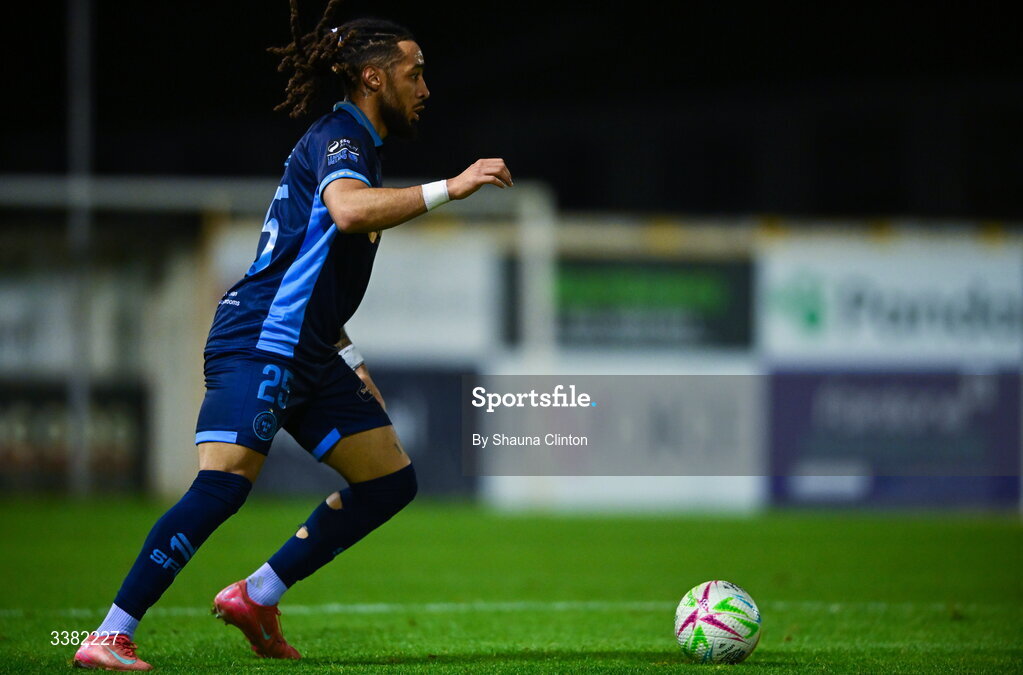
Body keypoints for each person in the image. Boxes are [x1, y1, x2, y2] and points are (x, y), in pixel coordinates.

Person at [73, 1, 513, 669]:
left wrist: (350, 358)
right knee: (223, 484)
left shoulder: (358, 146)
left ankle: (257, 593)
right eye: (414, 74)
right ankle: (109, 631)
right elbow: (345, 210)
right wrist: (452, 186)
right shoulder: (343, 137)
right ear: (373, 77)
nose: (424, 88)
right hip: (261, 336)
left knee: (389, 481)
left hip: (309, 345)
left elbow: (314, 276)